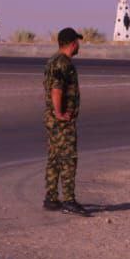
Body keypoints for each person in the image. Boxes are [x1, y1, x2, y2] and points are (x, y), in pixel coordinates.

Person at [43, 27, 90, 216]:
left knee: (54, 158)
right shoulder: (64, 63)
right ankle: (69, 200)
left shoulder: (53, 60)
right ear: (72, 44)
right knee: (68, 159)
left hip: (52, 120)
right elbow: (56, 90)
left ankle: (51, 198)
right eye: (77, 42)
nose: (78, 45)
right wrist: (60, 113)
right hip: (61, 122)